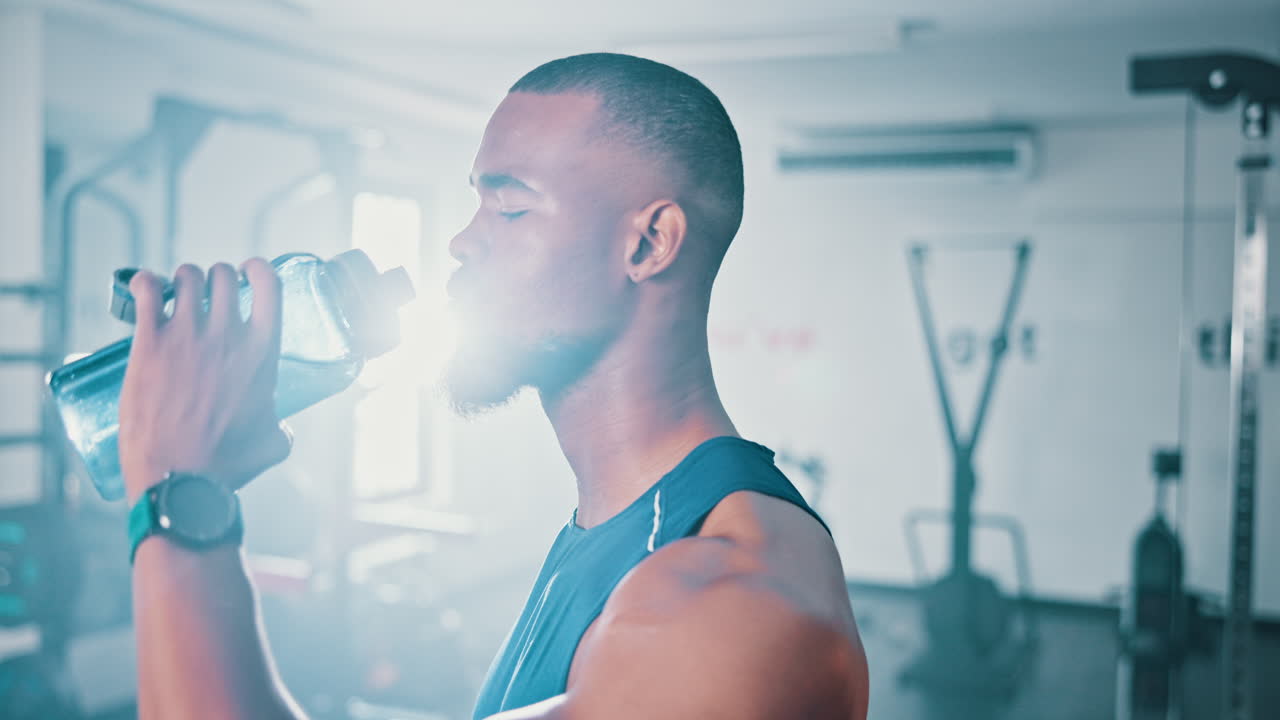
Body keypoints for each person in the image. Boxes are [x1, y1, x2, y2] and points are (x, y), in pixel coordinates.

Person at [120, 53, 869, 720]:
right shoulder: (623, 531)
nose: (462, 240)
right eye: (479, 202)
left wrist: (178, 493)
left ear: (647, 242)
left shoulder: (724, 618)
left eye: (511, 207)